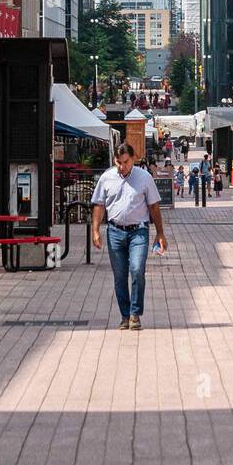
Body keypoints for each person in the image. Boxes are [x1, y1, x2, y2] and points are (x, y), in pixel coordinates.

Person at [91, 141, 168, 330]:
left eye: (125, 162)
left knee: (136, 270)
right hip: (115, 231)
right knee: (119, 275)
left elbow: (154, 206)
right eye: (118, 162)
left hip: (138, 231)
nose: (121, 167)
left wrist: (160, 232)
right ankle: (125, 316)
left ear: (133, 158)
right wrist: (95, 231)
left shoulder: (144, 178)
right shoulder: (107, 178)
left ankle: (135, 314)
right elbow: (99, 205)